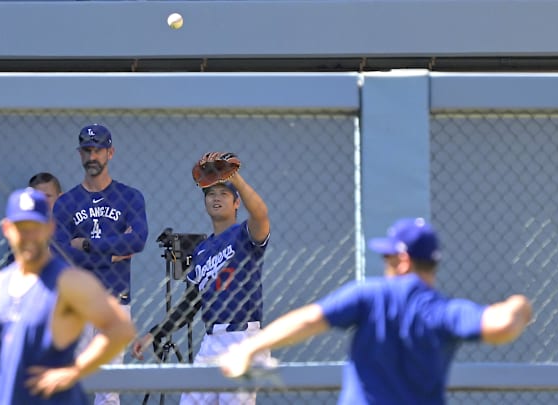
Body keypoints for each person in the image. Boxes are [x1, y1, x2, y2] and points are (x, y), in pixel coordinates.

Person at [219, 217, 533, 405]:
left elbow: (309, 319)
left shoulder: (369, 294)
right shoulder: (444, 310)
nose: (385, 265)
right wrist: (518, 304)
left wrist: (249, 348)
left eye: (388, 258)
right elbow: (503, 326)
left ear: (403, 260)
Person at [131, 152, 271, 405]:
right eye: (211, 194)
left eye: (223, 193)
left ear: (236, 202)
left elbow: (261, 215)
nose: (216, 198)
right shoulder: (202, 251)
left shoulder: (244, 234)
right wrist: (154, 333)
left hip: (243, 337)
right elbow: (190, 304)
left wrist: (235, 178)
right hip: (211, 342)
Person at [0, 187, 136, 404]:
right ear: (7, 229)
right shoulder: (1, 282)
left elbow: (121, 328)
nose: (29, 236)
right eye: (21, 227)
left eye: (35, 227)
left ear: (50, 228)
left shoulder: (69, 280)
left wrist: (74, 371)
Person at [52, 124, 148, 405]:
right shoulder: (66, 203)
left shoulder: (130, 197)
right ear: (79, 154)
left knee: (108, 389)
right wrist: (114, 250)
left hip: (115, 301)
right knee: (77, 381)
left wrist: (87, 245)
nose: (92, 156)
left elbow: (138, 241)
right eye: (87, 150)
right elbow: (61, 254)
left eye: (98, 150)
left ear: (110, 152)